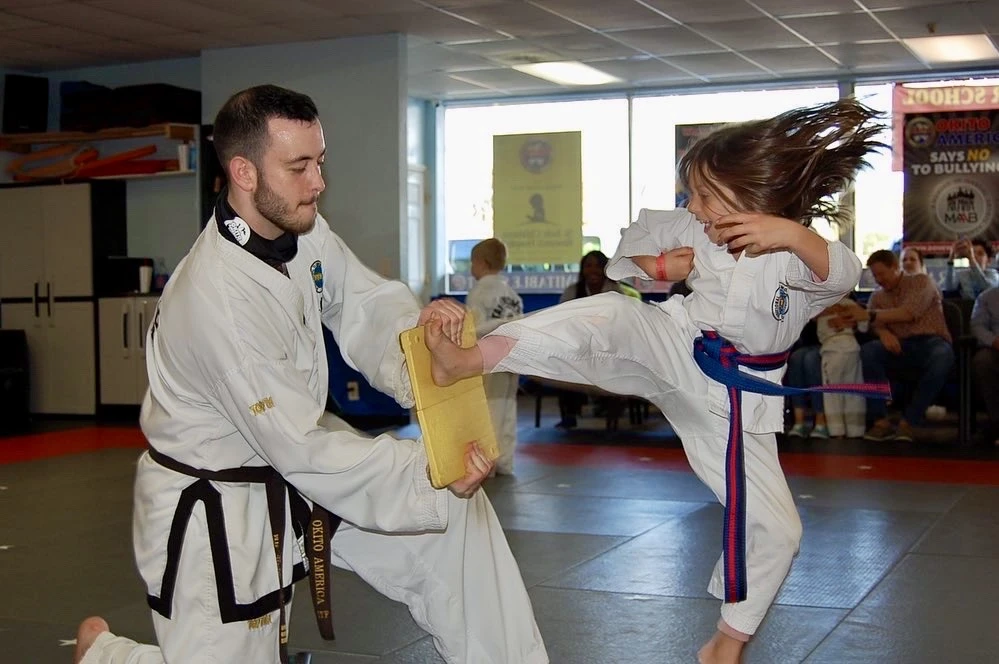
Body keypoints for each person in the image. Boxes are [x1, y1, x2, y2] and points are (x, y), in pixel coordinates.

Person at [74, 85, 548, 664]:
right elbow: (300, 446)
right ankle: (104, 655)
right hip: (220, 501)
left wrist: (422, 354)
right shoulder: (217, 299)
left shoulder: (303, 230)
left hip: (300, 466)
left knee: (456, 524)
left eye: (320, 161)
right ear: (244, 172)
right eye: (298, 167)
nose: (318, 182)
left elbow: (361, 302)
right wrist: (431, 471)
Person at [424, 99, 883, 664]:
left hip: (736, 401)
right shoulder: (693, 225)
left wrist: (787, 232)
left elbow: (844, 271)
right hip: (678, 345)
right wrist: (656, 267)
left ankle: (726, 643)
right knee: (614, 316)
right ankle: (469, 360)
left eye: (705, 194)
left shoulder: (795, 261)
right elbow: (632, 238)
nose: (694, 207)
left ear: (752, 196)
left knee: (780, 529)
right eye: (691, 194)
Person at [856, 249, 953, 442]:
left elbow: (908, 313)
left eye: (881, 274)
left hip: (930, 342)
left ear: (895, 267)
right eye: (875, 275)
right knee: (869, 351)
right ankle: (880, 420)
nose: (878, 279)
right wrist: (882, 332)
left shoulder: (921, 282)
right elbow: (873, 325)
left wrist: (872, 315)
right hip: (899, 346)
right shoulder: (877, 297)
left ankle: (909, 422)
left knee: (942, 355)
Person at [554, 250, 641, 428]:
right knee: (561, 365)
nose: (593, 270)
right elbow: (563, 323)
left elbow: (621, 325)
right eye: (588, 266)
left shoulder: (615, 291)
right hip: (579, 347)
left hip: (609, 348)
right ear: (582, 270)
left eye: (598, 266)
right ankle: (570, 414)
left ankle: (611, 413)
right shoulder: (572, 291)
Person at [465, 238, 524, 475]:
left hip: (489, 358)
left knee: (489, 408)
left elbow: (474, 327)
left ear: (480, 262)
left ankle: (486, 463)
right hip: (514, 356)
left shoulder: (479, 293)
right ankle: (505, 461)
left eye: (471, 263)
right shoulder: (512, 293)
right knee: (508, 407)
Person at [816, 297, 866, 438]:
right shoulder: (848, 304)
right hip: (852, 347)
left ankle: (837, 430)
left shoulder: (820, 302)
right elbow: (864, 324)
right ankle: (856, 430)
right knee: (854, 390)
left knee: (832, 391)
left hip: (832, 349)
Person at [783, 322, 827, 439]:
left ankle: (820, 421)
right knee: (795, 358)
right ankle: (799, 421)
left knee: (811, 360)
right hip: (806, 344)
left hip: (828, 344)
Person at [970, 285, 999, 446]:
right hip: (996, 348)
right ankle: (997, 421)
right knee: (983, 361)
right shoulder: (986, 297)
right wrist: (994, 341)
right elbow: (977, 326)